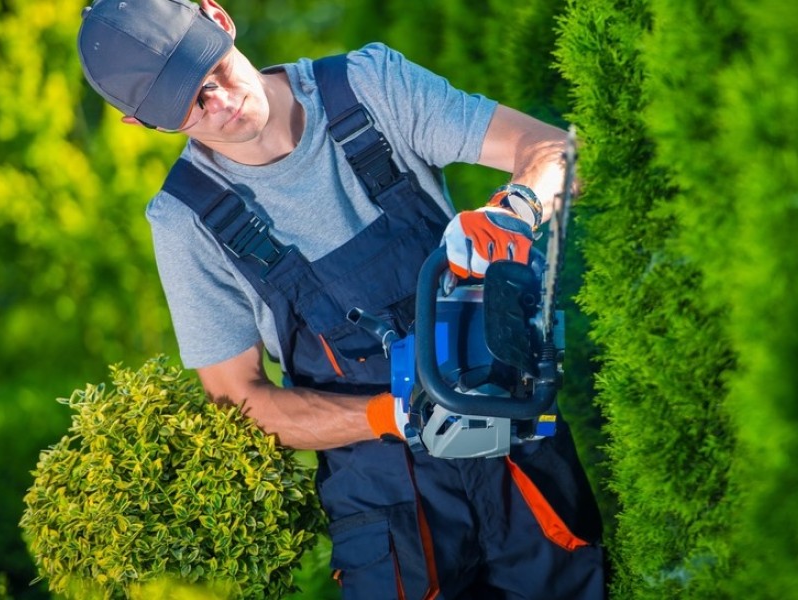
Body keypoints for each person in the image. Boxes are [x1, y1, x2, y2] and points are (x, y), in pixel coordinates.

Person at [75, 0, 605, 598]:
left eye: (213, 74)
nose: (220, 104)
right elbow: (239, 403)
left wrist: (517, 210)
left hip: (508, 431)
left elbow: (557, 150)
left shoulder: (368, 88)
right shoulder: (186, 222)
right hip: (385, 501)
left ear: (219, 21)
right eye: (191, 107)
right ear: (142, 124)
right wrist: (387, 415)